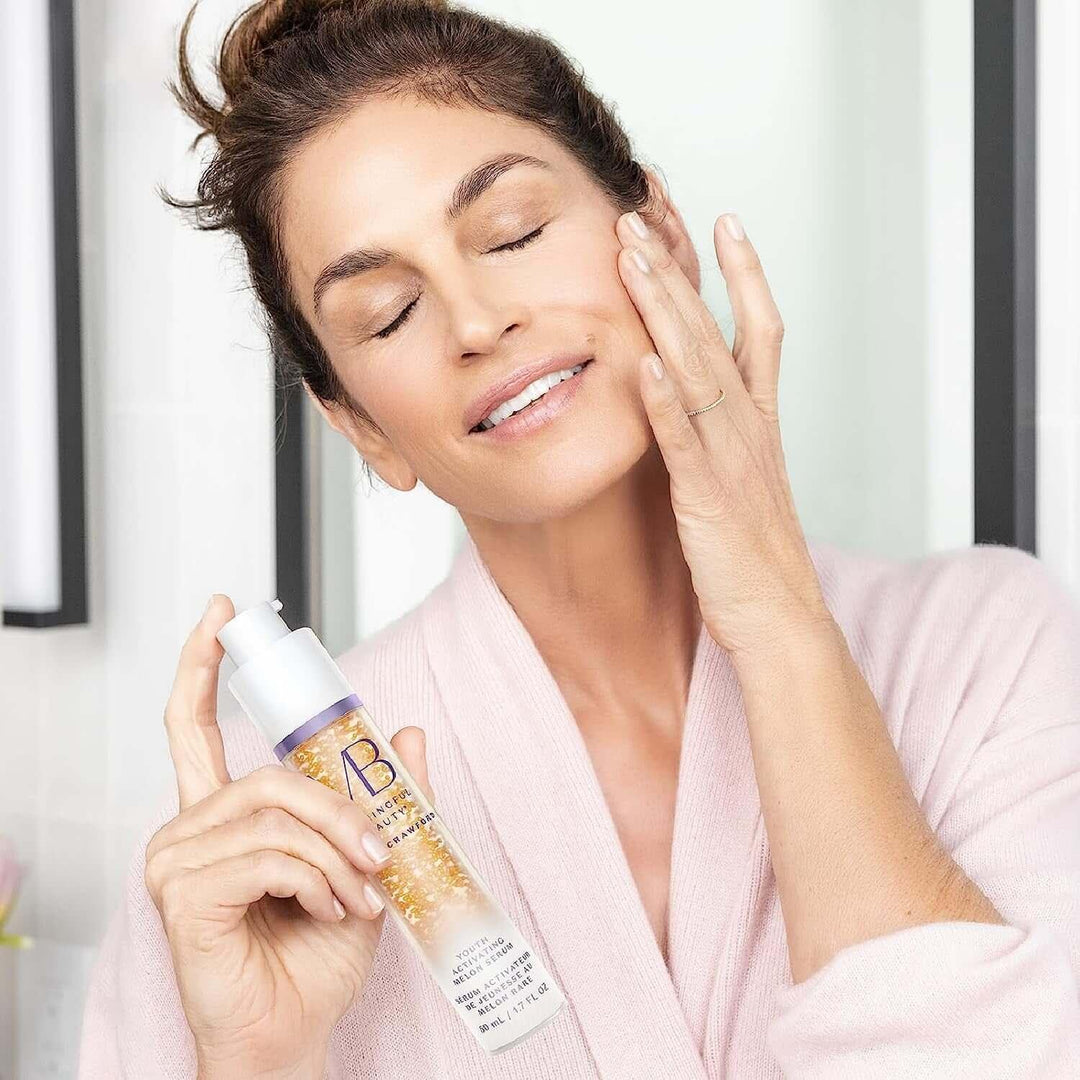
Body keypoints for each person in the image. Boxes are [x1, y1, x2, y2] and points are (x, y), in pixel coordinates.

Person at [79, 0, 1080, 1076]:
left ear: (654, 230)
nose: (475, 321)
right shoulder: (271, 839)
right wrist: (264, 1058)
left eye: (512, 233)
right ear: (363, 428)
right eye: (389, 314)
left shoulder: (993, 657)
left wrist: (782, 625)